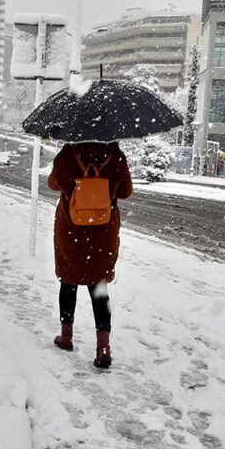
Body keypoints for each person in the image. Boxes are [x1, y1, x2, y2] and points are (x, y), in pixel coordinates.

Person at [48, 141, 133, 368]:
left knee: (68, 281)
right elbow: (125, 192)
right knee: (99, 287)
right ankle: (103, 347)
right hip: (102, 233)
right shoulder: (115, 155)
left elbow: (53, 184)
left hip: (71, 230)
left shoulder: (67, 154)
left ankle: (66, 336)